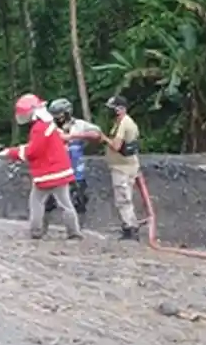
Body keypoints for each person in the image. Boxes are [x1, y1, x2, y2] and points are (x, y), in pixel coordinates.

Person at [5, 93, 82, 240]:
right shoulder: (48, 124)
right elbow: (39, 145)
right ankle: (74, 232)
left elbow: (33, 151)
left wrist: (12, 152)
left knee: (36, 202)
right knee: (66, 203)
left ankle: (36, 231)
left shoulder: (39, 128)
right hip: (60, 171)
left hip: (47, 173)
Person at [46, 98, 102, 215]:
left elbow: (97, 134)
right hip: (55, 171)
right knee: (49, 202)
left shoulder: (79, 125)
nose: (57, 118)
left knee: (79, 199)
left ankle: (80, 225)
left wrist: (73, 136)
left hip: (76, 170)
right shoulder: (50, 127)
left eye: (59, 115)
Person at [103, 95, 142, 240]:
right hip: (127, 166)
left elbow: (116, 146)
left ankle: (130, 228)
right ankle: (129, 226)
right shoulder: (124, 122)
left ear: (120, 109)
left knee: (123, 199)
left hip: (122, 168)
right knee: (126, 196)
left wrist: (104, 138)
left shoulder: (124, 124)